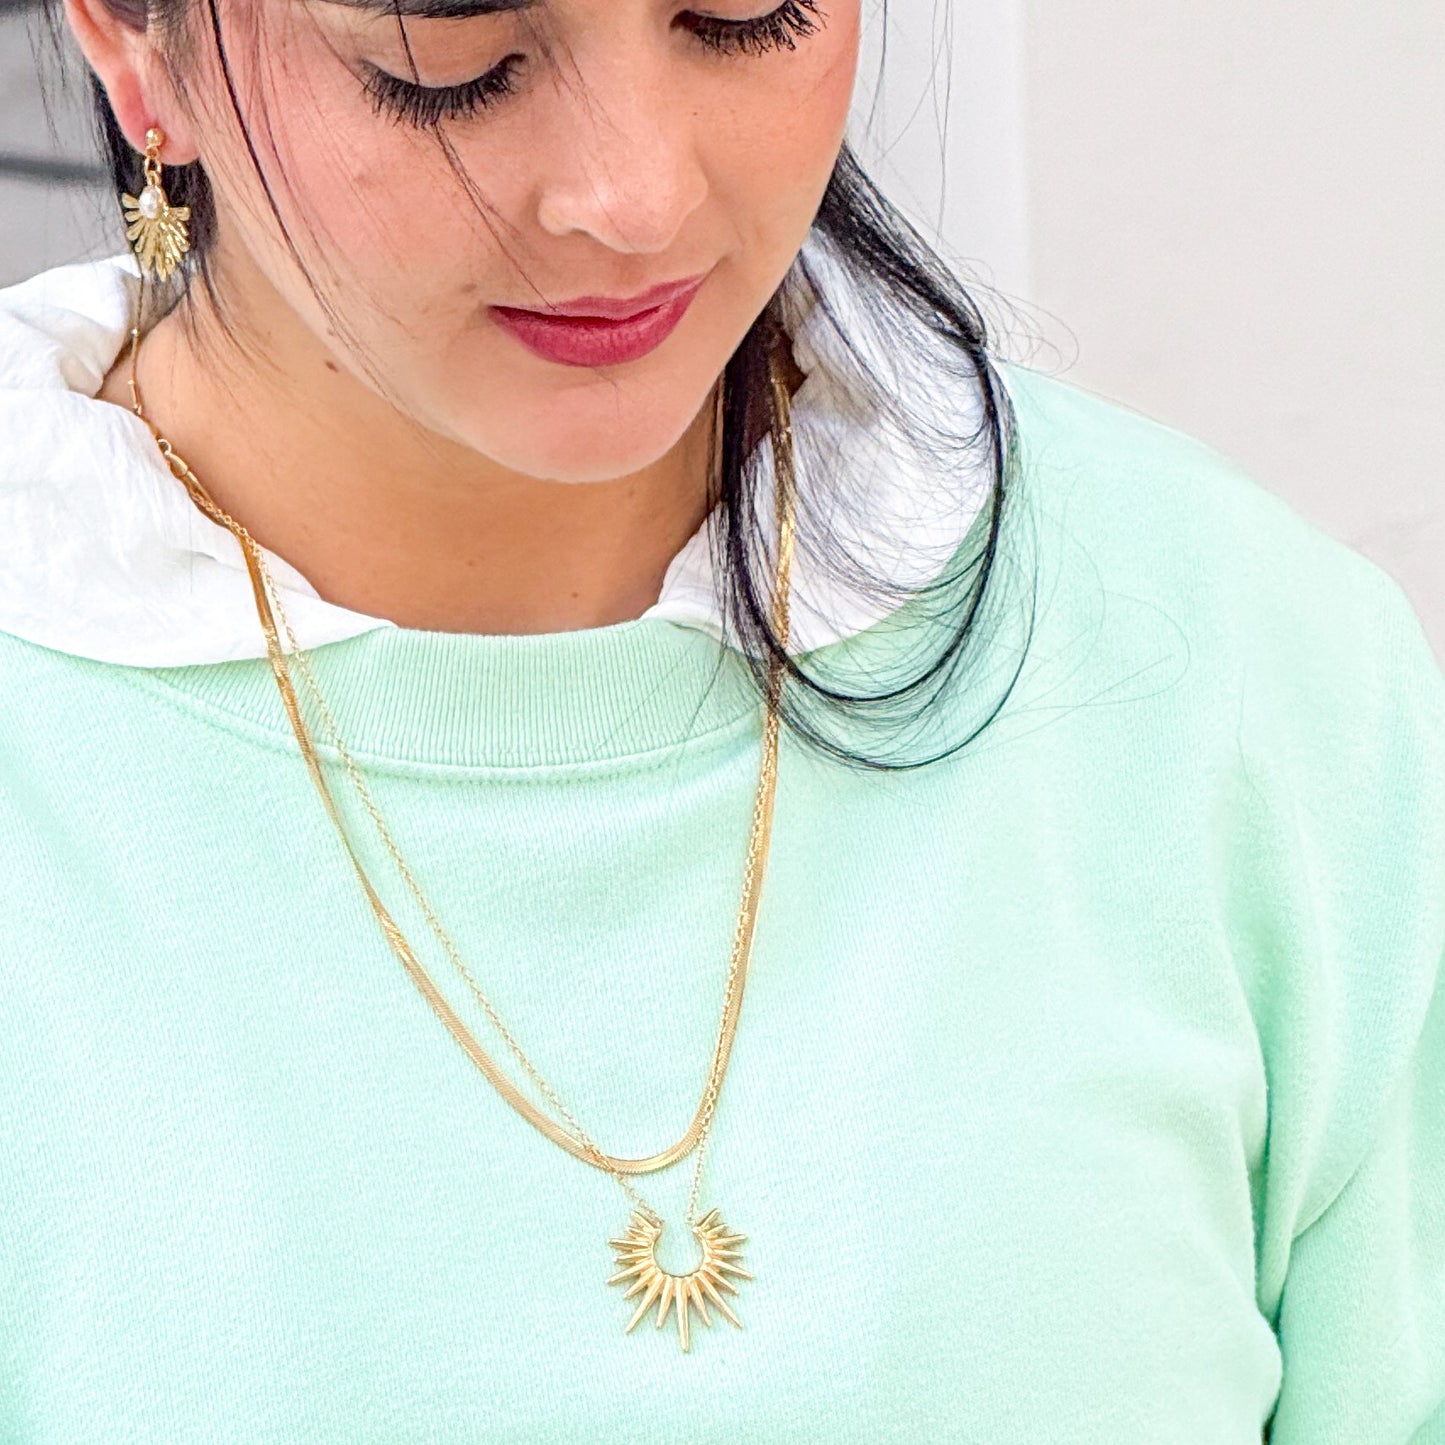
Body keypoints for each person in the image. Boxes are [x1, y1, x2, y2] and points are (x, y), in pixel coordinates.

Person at [0, 0, 1440, 1439]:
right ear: (131, 40)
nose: (631, 197)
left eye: (749, 15)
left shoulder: (1252, 688)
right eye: (448, 60)